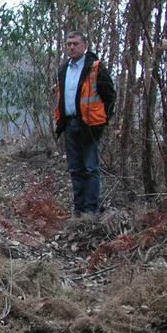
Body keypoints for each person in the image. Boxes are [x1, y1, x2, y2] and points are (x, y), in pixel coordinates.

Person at [53, 31, 116, 216]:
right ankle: (78, 210)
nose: (71, 47)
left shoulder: (95, 68)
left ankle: (91, 210)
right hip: (70, 124)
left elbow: (110, 95)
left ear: (85, 46)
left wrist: (102, 120)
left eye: (75, 43)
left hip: (90, 125)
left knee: (90, 167)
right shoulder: (63, 69)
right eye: (68, 43)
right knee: (75, 169)